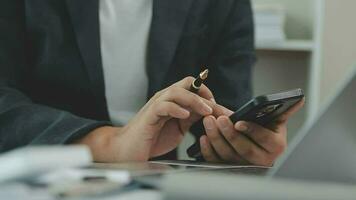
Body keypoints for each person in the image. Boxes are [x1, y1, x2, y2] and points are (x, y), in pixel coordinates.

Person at [0, 0, 304, 165]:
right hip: (43, 172)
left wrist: (245, 143)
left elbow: (225, 109)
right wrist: (109, 143)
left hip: (158, 179)